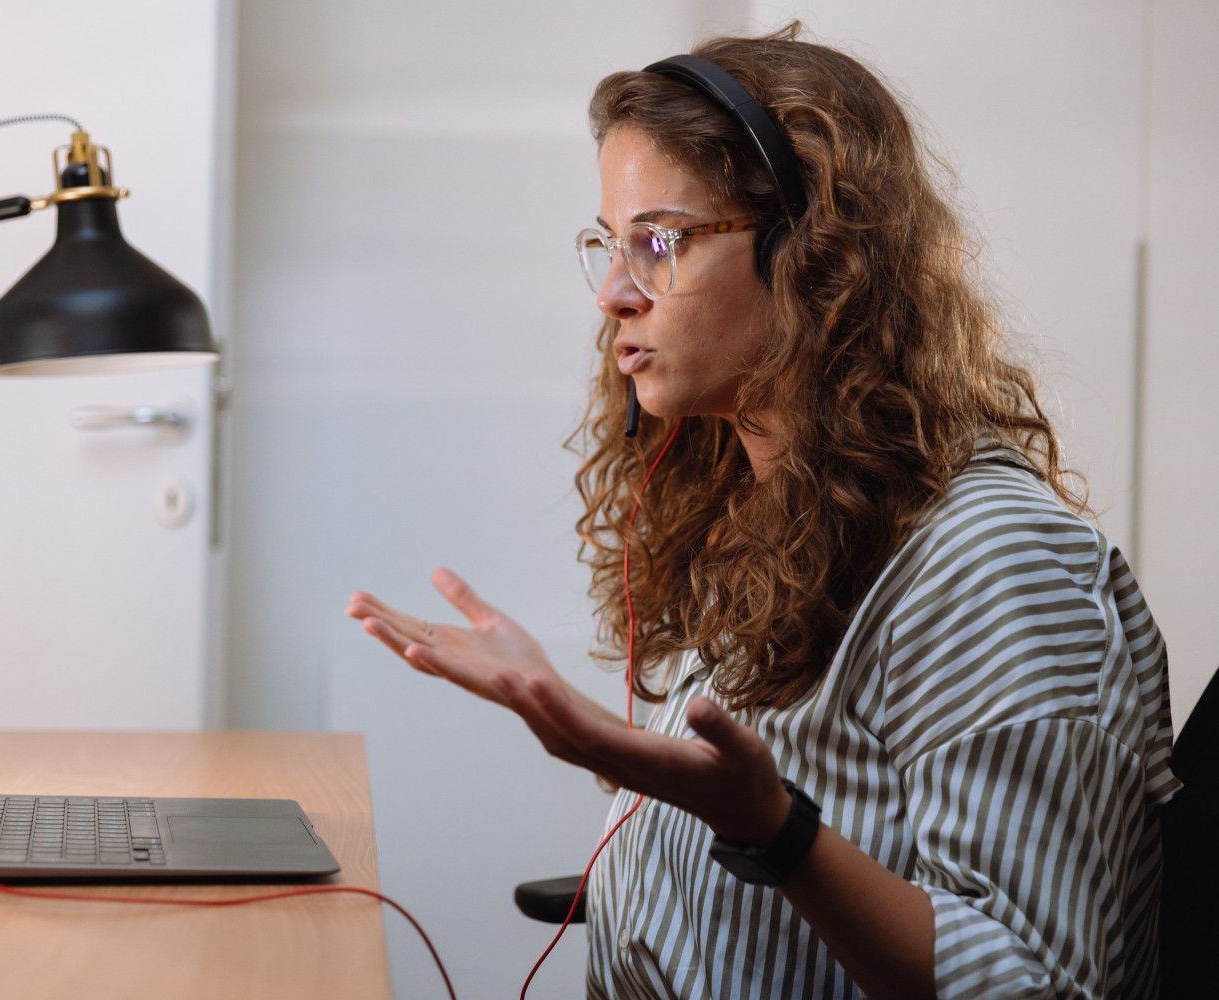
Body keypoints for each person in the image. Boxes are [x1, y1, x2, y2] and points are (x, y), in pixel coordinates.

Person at [346, 24, 1178, 1000]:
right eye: (609, 246)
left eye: (660, 242)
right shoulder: (767, 508)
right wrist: (594, 731)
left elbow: (1035, 983)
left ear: (812, 254)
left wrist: (773, 832)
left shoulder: (995, 565)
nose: (615, 293)